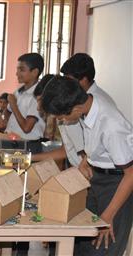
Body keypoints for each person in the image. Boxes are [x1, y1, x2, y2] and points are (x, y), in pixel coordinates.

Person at [41, 76, 133, 256]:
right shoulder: (87, 107)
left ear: (75, 108)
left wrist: (108, 217)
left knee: (103, 246)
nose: (62, 120)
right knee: (82, 243)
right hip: (97, 179)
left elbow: (131, 174)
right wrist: (86, 161)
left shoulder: (111, 125)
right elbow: (97, 145)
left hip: (118, 185)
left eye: (62, 116)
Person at [5, 53, 46, 154]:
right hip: (13, 142)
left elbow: (27, 128)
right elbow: (8, 113)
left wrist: (14, 106)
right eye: (17, 69)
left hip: (28, 146)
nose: (17, 73)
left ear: (35, 72)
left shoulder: (37, 95)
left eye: (22, 70)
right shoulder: (19, 91)